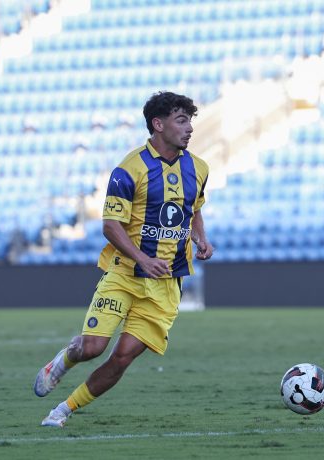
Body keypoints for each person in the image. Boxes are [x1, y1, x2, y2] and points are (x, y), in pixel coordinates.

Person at [34, 91, 213, 427]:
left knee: (122, 358)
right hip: (125, 275)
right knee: (92, 348)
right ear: (158, 124)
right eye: (181, 120)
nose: (189, 128)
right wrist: (143, 259)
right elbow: (110, 226)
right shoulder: (129, 169)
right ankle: (64, 360)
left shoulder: (199, 168)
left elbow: (194, 209)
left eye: (190, 121)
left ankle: (62, 411)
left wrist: (201, 237)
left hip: (166, 285)